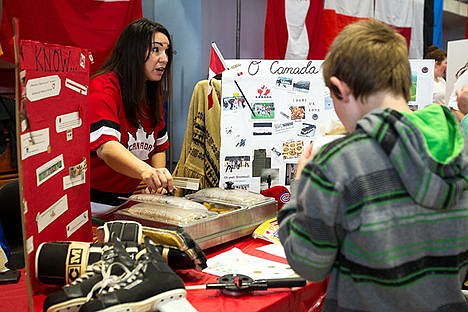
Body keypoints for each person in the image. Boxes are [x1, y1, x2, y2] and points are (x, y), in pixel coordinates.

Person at [278, 19, 468, 312]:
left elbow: (309, 263)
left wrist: (299, 189)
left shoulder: (336, 163)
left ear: (339, 89)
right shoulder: (458, 152)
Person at [89, 18, 176, 217]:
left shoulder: (151, 94)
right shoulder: (103, 88)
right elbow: (107, 147)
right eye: (156, 50)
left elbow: (159, 146)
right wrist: (147, 172)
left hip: (125, 203)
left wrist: (158, 180)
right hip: (89, 207)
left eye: (166, 51)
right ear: (133, 51)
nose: (164, 58)